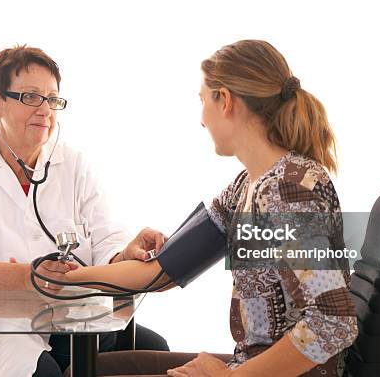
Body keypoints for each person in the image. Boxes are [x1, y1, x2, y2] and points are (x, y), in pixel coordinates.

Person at [52, 39, 358, 376]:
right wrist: (70, 276)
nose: (201, 118)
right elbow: (159, 272)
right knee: (84, 370)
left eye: (202, 100)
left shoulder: (290, 190)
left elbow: (332, 325)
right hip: (249, 364)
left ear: (224, 100)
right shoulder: (246, 186)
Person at [0, 45, 169, 377]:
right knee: (36, 369)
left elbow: (108, 240)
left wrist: (125, 254)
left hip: (59, 317)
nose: (45, 109)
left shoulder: (74, 164)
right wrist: (25, 277)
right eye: (31, 97)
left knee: (153, 350)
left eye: (52, 99)